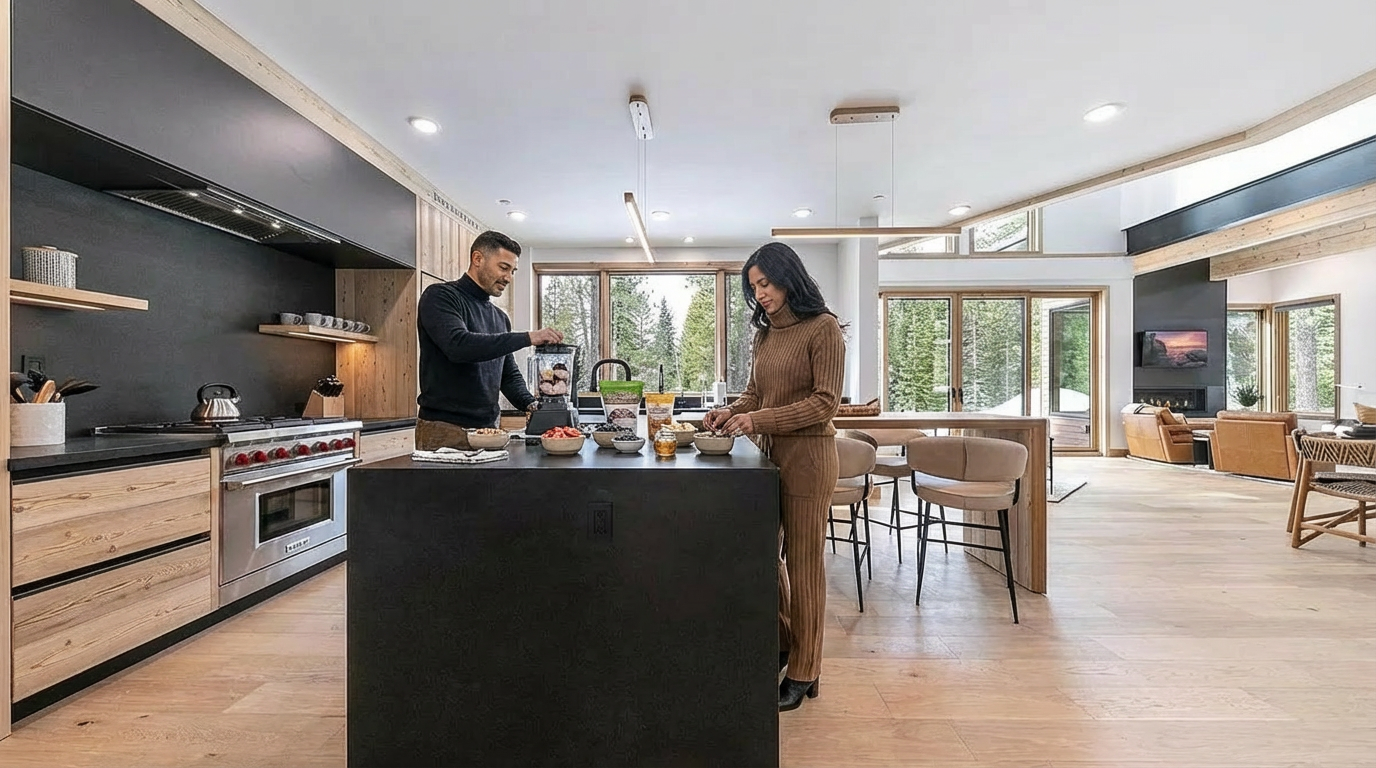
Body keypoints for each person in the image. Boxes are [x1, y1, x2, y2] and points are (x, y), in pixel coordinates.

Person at [703, 241, 845, 712]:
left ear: (789, 277)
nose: (760, 294)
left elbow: (825, 403)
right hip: (770, 459)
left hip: (809, 457)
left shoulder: (823, 329)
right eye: (753, 287)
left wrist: (758, 421)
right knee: (766, 556)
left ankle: (807, 669)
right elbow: (755, 394)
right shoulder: (765, 335)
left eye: (765, 283)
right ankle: (784, 641)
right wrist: (730, 411)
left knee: (803, 565)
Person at [415, 230, 563, 450]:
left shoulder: (500, 318)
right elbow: (459, 346)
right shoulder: (440, 297)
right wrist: (529, 337)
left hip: (489, 428)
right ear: (477, 259)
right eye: (503, 268)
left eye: (512, 271)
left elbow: (508, 376)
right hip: (444, 429)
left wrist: (533, 406)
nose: (508, 278)